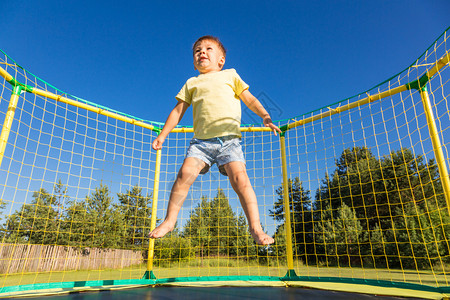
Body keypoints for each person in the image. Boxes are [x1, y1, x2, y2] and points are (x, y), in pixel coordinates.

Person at [149, 35, 281, 245]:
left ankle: (255, 227)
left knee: (240, 180)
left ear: (221, 60)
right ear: (194, 62)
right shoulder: (192, 83)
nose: (202, 52)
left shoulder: (230, 75)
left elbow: (250, 99)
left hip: (229, 142)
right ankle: (169, 221)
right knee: (184, 175)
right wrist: (163, 135)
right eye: (197, 50)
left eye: (208, 49)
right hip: (201, 143)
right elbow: (178, 111)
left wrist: (265, 116)